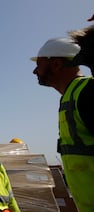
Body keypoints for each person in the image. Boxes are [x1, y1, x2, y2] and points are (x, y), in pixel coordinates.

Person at [31, 37, 94, 211]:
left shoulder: (87, 94)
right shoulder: (72, 97)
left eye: (39, 64)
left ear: (57, 64)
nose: (35, 71)